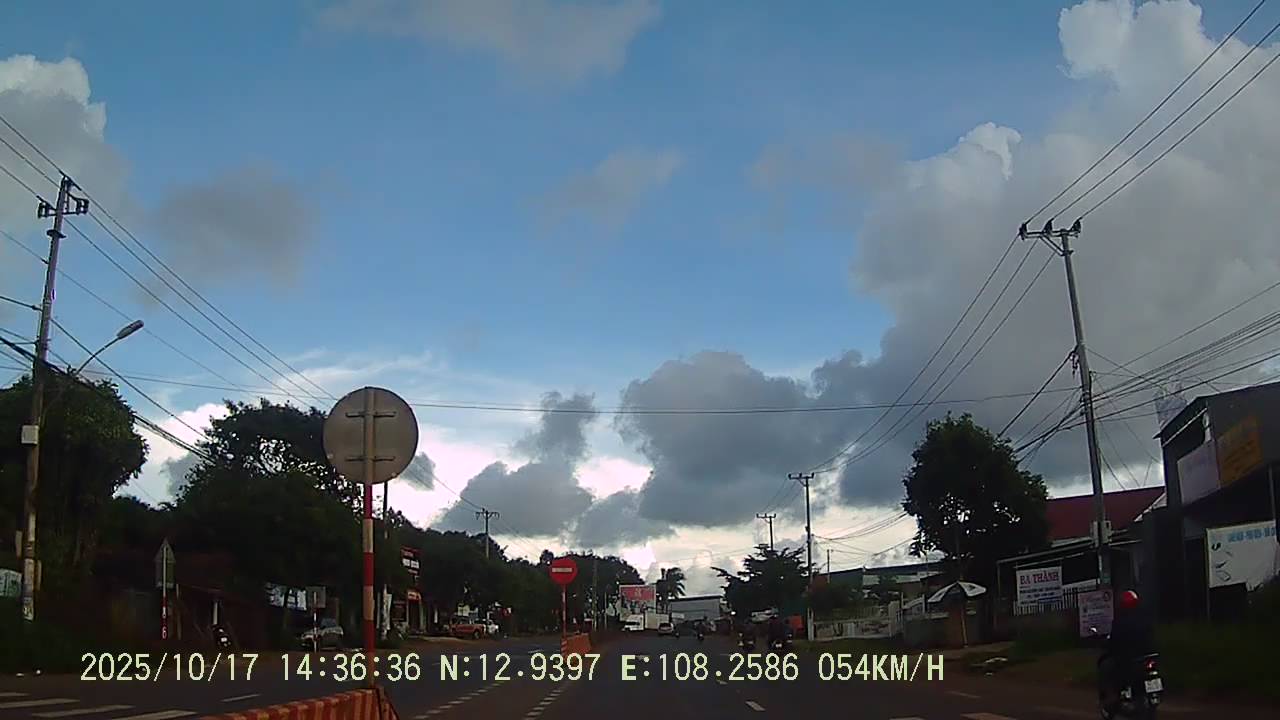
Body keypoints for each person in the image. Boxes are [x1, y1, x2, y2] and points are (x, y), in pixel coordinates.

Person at [1098, 590, 1155, 714]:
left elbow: (1114, 641)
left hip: (1129, 659)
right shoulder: (1144, 617)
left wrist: (1109, 646)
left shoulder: (1120, 621)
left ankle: (1115, 697)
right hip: (1146, 656)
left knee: (1108, 668)